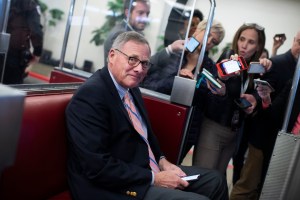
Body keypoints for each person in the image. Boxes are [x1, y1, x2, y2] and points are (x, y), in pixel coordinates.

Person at [66, 31, 229, 200]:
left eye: (144, 63)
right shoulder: (90, 96)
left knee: (215, 180)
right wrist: (153, 178)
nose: (139, 69)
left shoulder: (131, 88)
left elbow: (146, 135)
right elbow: (97, 167)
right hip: (109, 186)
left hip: (142, 167)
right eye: (132, 59)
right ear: (112, 56)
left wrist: (162, 161)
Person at [191, 23, 269, 177]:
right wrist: (222, 82)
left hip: (234, 133)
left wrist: (255, 101)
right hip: (213, 128)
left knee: (218, 181)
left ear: (258, 46)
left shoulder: (255, 67)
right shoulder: (229, 56)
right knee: (203, 179)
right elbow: (211, 94)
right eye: (242, 39)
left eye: (251, 42)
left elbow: (259, 94)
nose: (244, 46)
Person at [230, 31, 300, 200]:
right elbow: (260, 94)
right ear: (294, 40)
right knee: (248, 186)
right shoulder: (277, 63)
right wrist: (259, 99)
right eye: (299, 41)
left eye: (251, 41)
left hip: (286, 143)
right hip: (265, 137)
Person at [1, 0, 43, 84]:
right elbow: (36, 32)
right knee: (10, 90)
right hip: (14, 55)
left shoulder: (5, 2)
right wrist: (37, 53)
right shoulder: (29, 4)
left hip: (4, 48)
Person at [103, 0, 150, 65]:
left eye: (147, 14)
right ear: (127, 13)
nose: (145, 18)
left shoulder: (135, 34)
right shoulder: (120, 34)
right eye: (140, 13)